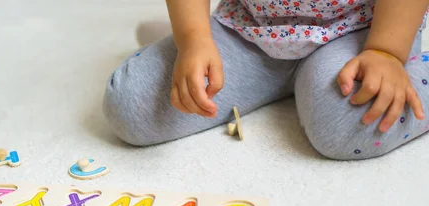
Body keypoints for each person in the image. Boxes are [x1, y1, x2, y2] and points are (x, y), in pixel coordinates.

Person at [103, 0, 429, 160]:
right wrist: (193, 37)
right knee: (131, 105)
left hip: (364, 31)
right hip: (249, 25)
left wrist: (387, 51)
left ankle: (405, 70)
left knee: (348, 124)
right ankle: (291, 81)